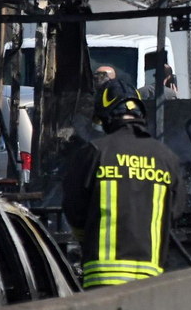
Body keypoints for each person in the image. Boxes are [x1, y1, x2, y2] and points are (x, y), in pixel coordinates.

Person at [62, 79, 183, 289]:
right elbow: (175, 211)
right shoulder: (166, 158)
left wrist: (86, 239)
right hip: (150, 279)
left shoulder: (94, 152)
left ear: (105, 117)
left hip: (102, 280)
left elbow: (73, 208)